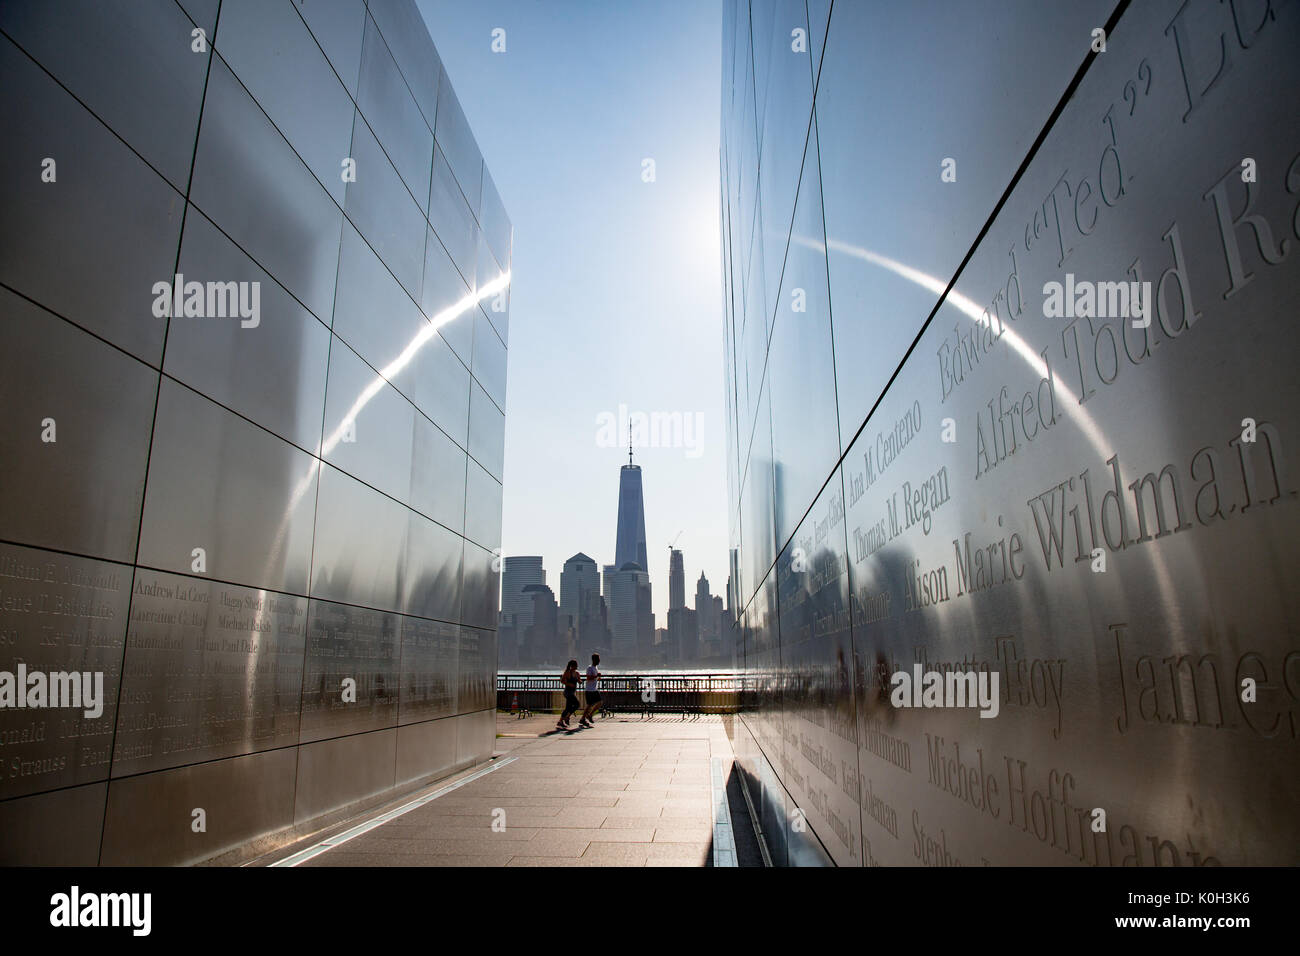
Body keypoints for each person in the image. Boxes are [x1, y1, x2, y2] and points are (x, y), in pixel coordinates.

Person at [579, 653, 602, 727]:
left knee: (599, 702)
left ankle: (589, 715)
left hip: (594, 689)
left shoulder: (596, 668)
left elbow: (594, 678)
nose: (599, 660)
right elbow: (588, 678)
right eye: (598, 659)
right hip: (589, 690)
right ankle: (583, 718)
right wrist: (596, 676)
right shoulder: (590, 668)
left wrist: (598, 678)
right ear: (594, 660)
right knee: (589, 704)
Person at [557, 660, 580, 731]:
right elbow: (562, 680)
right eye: (575, 666)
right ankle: (567, 717)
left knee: (568, 707)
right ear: (572, 666)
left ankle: (560, 721)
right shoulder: (567, 673)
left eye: (576, 666)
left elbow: (579, 680)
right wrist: (569, 684)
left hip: (572, 692)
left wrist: (580, 681)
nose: (576, 667)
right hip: (567, 692)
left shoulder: (577, 673)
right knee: (577, 704)